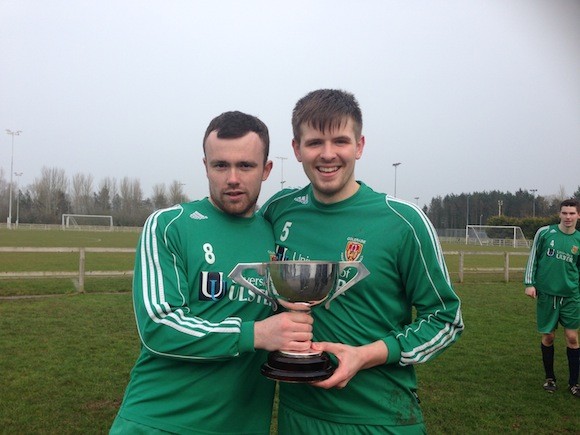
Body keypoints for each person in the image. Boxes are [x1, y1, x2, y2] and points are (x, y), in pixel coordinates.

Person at [260, 89, 464, 434]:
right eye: (314, 143)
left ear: (360, 145)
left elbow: (445, 319)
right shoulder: (279, 210)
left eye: (340, 140)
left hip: (379, 416)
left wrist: (365, 355)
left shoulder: (403, 221)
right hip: (296, 414)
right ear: (296, 149)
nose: (328, 154)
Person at [110, 111, 314, 434]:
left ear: (266, 170)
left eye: (246, 166)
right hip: (159, 423)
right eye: (221, 165)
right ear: (205, 166)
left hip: (242, 426)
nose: (233, 178)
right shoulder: (168, 226)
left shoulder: (275, 236)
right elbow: (158, 327)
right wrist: (257, 334)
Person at [524, 198, 580, 398]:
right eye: (564, 213)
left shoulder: (579, 240)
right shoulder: (545, 233)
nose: (568, 217)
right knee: (548, 337)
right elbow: (533, 258)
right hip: (547, 294)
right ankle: (550, 378)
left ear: (578, 215)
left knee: (573, 338)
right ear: (559, 214)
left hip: (571, 296)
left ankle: (574, 383)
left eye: (572, 213)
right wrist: (529, 283)